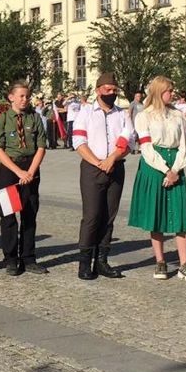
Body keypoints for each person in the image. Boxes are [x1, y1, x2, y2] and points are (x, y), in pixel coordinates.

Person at [127, 76, 186, 282]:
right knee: (156, 213)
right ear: (159, 92)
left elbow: (184, 145)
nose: (172, 94)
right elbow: (146, 146)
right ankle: (160, 261)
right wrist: (164, 169)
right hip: (154, 165)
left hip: (175, 162)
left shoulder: (177, 115)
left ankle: (184, 263)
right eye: (168, 90)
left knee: (181, 214)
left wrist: (175, 169)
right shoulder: (144, 116)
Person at [73, 72, 129, 281]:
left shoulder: (121, 114)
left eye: (115, 90)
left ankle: (102, 261)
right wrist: (98, 162)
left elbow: (128, 141)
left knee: (109, 217)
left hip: (115, 167)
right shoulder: (86, 112)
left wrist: (112, 159)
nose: (112, 93)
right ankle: (84, 263)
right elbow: (79, 141)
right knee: (92, 216)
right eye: (108, 90)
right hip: (92, 168)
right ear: (98, 90)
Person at [0, 81, 48, 275]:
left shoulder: (34, 118)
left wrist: (31, 172)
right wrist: (18, 172)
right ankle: (10, 258)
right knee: (8, 215)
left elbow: (41, 146)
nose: (25, 100)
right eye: (21, 96)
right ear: (11, 97)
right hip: (10, 169)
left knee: (29, 213)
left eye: (27, 96)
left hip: (31, 167)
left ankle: (28, 257)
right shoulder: (3, 119)